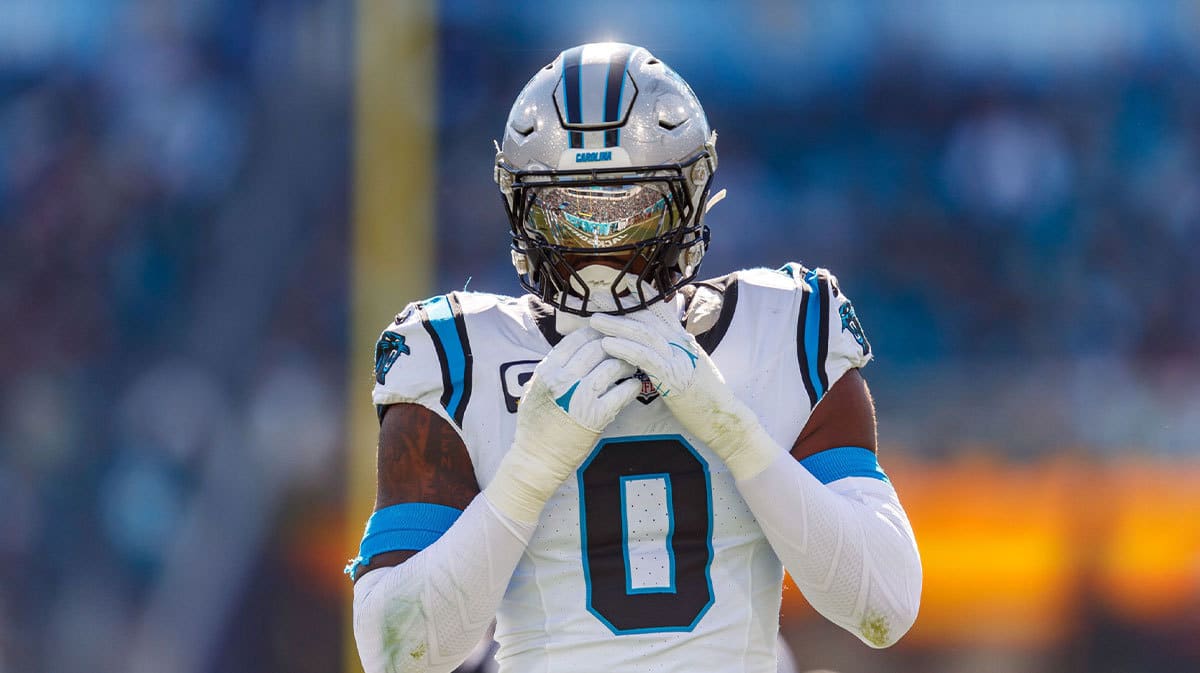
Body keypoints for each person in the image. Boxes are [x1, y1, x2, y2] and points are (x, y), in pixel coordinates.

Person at [347, 42, 922, 673]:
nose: (600, 243)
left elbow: (884, 606)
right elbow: (396, 654)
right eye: (570, 212)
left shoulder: (786, 326)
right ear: (519, 205)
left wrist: (733, 431)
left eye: (627, 208)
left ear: (692, 193)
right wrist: (527, 475)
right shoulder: (456, 353)